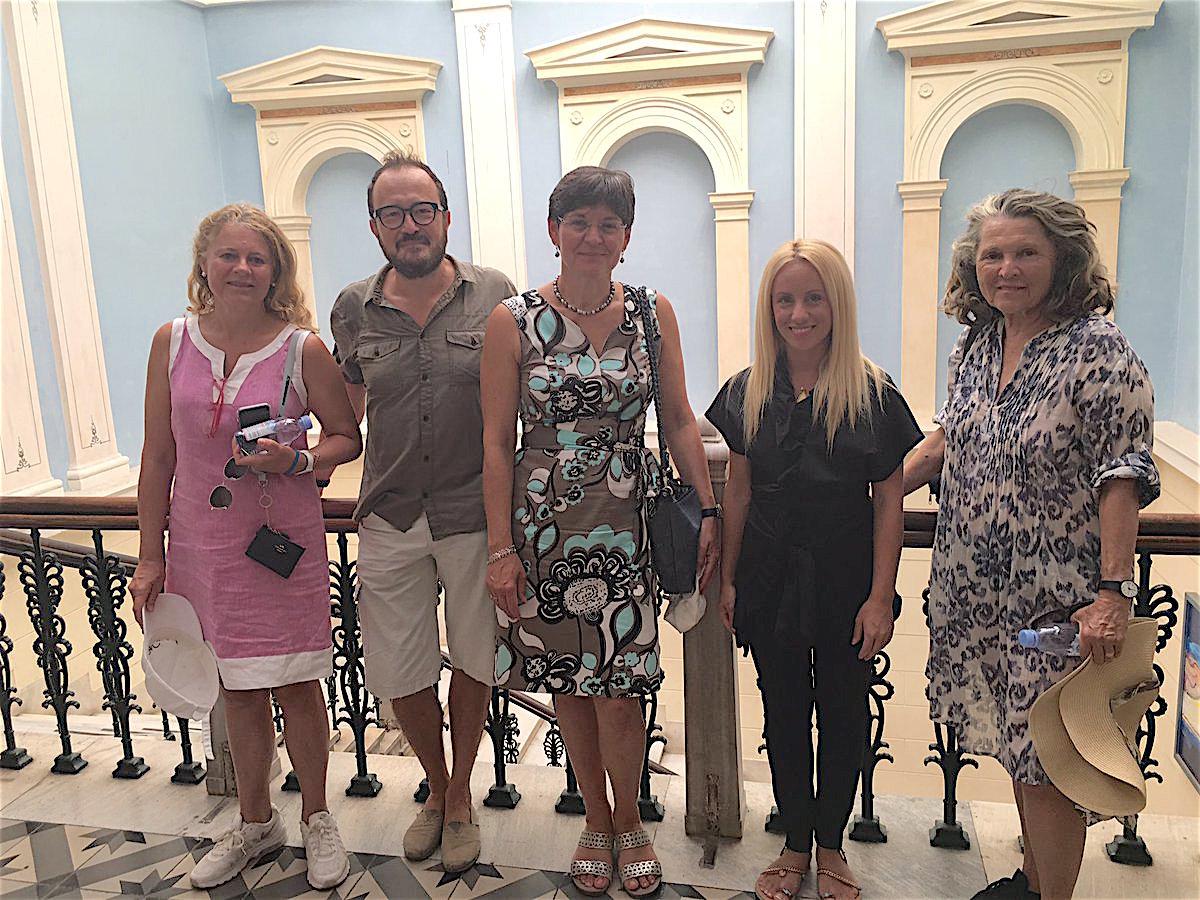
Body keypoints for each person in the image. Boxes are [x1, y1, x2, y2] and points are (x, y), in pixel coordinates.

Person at [903, 189, 1159, 900]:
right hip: (977, 596)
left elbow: (1122, 474)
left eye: (1025, 253)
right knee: (1021, 757)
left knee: (1049, 766)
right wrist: (871, 493)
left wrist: (1112, 594)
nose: (1006, 268)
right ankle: (1032, 884)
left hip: (1058, 607)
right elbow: (948, 439)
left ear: (1062, 259)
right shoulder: (976, 346)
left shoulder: (1097, 349)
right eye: (993, 254)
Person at [481, 166, 719, 897]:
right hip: (543, 527)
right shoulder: (512, 320)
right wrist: (500, 549)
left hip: (628, 525)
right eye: (579, 222)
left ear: (626, 237)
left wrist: (708, 510)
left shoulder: (651, 312)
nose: (593, 236)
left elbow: (678, 419)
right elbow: (495, 443)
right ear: (555, 231)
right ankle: (595, 820)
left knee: (621, 688)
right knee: (569, 686)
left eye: (608, 224)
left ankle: (631, 821)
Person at [130, 203, 362, 891]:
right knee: (235, 687)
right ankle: (257, 823)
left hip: (279, 543)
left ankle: (317, 817)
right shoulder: (171, 343)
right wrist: (150, 555)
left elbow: (345, 437)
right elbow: (157, 455)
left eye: (256, 258)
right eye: (228, 255)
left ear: (274, 272)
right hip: (203, 548)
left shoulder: (300, 349)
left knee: (295, 683)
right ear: (204, 264)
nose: (241, 268)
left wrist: (296, 461)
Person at [706, 240, 921, 900]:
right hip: (769, 577)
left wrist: (881, 597)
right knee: (783, 714)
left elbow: (889, 502)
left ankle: (832, 845)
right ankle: (795, 843)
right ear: (770, 309)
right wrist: (730, 580)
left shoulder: (874, 393)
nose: (798, 314)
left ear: (837, 305)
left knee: (845, 713)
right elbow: (738, 493)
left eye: (813, 298)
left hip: (846, 579)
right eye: (785, 300)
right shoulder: (746, 391)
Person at [328, 151, 516, 873]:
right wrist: (298, 463)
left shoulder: (494, 295)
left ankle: (459, 792)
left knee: (475, 658)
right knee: (401, 668)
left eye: (422, 210)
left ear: (445, 217)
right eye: (393, 214)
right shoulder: (353, 308)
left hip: (474, 513)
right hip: (391, 515)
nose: (410, 225)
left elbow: (518, 405)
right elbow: (346, 416)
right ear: (375, 226)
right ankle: (436, 786)